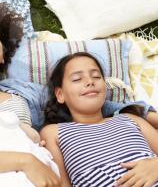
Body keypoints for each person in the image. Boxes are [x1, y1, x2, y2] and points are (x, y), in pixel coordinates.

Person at [0, 0, 154, 187]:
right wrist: (25, 162)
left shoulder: (27, 92)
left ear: (3, 52)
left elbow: (79, 98)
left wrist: (140, 112)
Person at [41, 52, 158, 187]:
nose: (90, 81)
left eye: (96, 76)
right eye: (77, 79)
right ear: (60, 94)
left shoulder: (131, 119)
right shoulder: (53, 132)